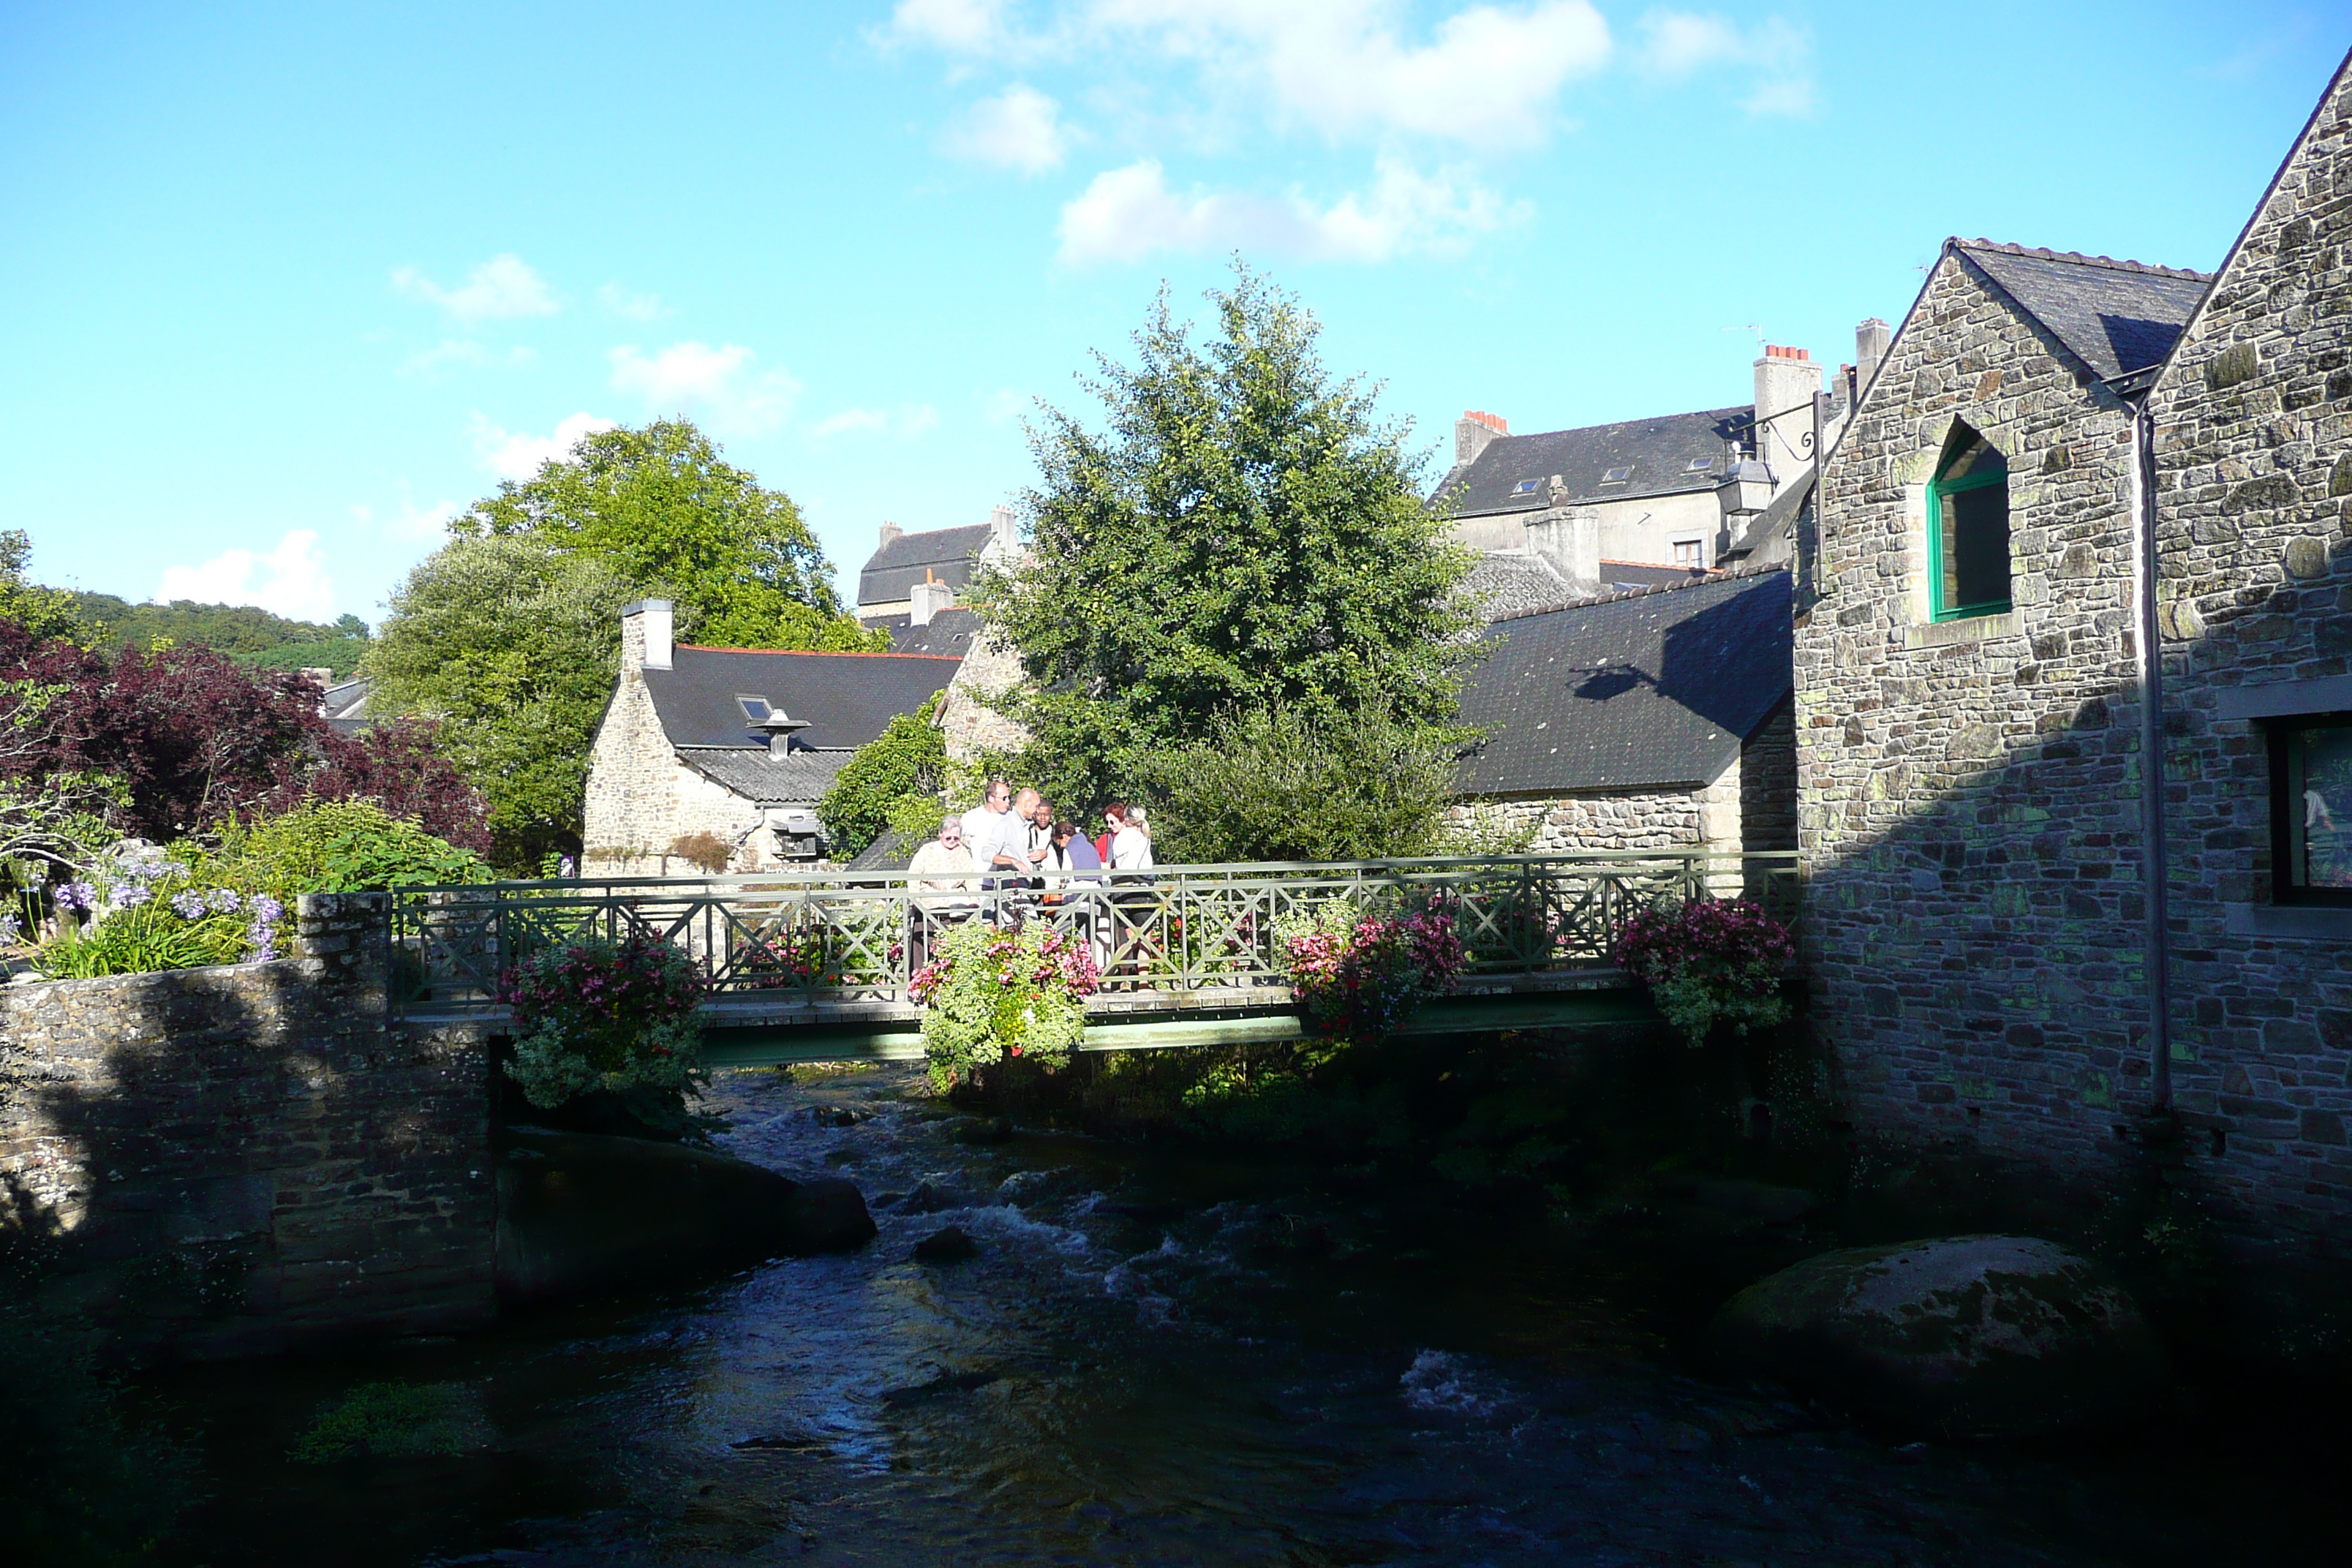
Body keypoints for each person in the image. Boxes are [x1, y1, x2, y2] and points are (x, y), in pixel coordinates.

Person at [904, 815, 978, 968]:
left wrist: (974, 900)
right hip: (930, 904)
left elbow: (971, 879)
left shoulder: (963, 852)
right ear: (940, 834)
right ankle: (920, 977)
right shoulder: (926, 851)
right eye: (949, 837)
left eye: (956, 838)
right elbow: (913, 876)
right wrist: (915, 899)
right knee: (923, 937)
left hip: (956, 904)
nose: (952, 841)